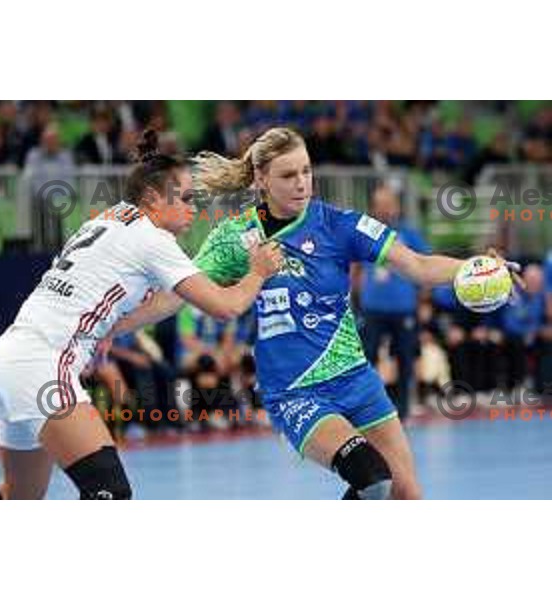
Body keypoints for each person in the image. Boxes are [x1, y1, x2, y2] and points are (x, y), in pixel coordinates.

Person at [108, 127, 520, 500]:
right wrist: (108, 327)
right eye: (288, 175)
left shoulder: (339, 225)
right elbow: (175, 296)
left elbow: (418, 265)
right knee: (372, 478)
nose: (302, 183)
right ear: (261, 179)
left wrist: (474, 268)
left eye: (306, 171)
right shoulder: (236, 239)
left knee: (406, 495)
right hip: (295, 390)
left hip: (355, 376)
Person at [0, 129, 283, 500]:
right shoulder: (154, 241)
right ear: (153, 198)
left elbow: (133, 301)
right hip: (42, 364)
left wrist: (104, 335)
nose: (193, 208)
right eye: (184, 198)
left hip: (8, 358)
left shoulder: (109, 218)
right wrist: (258, 272)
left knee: (17, 497)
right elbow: (225, 307)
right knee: (110, 492)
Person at [358, 185, 431, 420]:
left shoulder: (409, 234)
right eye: (380, 205)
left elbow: (426, 266)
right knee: (367, 358)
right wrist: (356, 297)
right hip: (372, 308)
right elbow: (355, 268)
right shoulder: (364, 232)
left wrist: (423, 302)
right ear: (373, 208)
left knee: (405, 358)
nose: (385, 209)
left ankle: (404, 409)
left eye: (389, 204)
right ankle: (367, 409)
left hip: (404, 308)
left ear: (397, 206)